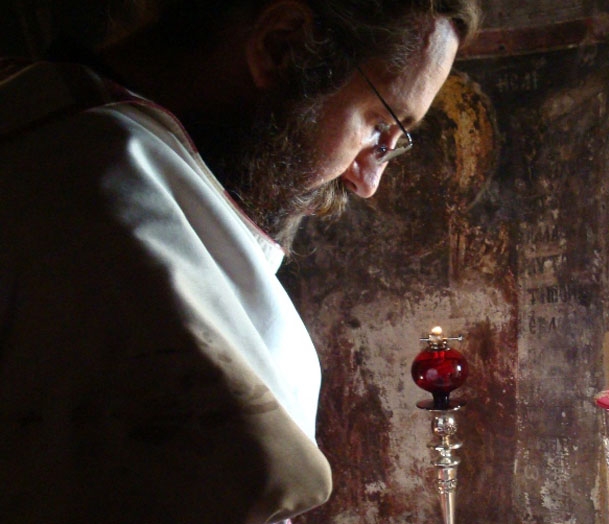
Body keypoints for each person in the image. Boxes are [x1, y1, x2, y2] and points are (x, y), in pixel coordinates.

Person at [0, 0, 480, 522]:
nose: (367, 182)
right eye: (379, 126)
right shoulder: (96, 184)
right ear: (283, 46)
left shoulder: (55, 123)